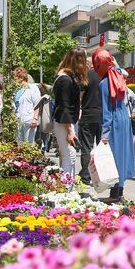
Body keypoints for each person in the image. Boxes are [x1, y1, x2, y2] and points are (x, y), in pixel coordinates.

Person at [93, 49, 135, 203]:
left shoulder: (104, 83)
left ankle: (114, 194)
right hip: (124, 119)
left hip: (115, 121)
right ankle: (120, 192)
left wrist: (104, 134)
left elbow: (107, 111)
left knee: (114, 157)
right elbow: (117, 68)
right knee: (123, 155)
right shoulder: (118, 75)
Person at [53, 48, 88, 180]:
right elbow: (65, 106)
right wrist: (69, 131)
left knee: (68, 155)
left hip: (63, 121)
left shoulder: (63, 77)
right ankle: (66, 188)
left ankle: (67, 187)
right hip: (64, 123)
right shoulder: (66, 80)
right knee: (69, 156)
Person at [78, 56, 103, 184]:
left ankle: (86, 177)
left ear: (88, 64)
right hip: (102, 116)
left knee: (86, 147)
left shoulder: (85, 76)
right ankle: (101, 175)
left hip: (88, 115)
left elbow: (80, 97)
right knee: (102, 147)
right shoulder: (103, 76)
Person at [12, 67, 41, 144]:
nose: (14, 80)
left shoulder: (32, 88)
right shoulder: (15, 90)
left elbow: (37, 104)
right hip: (17, 120)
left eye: (15, 77)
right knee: (20, 145)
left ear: (21, 78)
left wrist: (35, 118)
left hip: (29, 120)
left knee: (29, 144)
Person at [34, 83, 53, 152]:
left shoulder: (41, 98)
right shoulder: (47, 98)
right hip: (45, 120)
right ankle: (44, 148)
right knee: (44, 136)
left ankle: (42, 148)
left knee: (38, 137)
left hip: (39, 120)